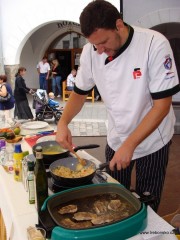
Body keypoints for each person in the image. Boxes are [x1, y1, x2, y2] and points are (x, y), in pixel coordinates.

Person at [55, 0, 180, 212]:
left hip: (152, 139)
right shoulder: (90, 52)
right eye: (95, 45)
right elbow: (78, 94)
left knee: (146, 200)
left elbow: (162, 106)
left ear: (119, 25)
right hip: (117, 135)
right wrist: (63, 122)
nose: (100, 50)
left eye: (104, 42)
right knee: (111, 196)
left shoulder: (153, 44)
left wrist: (130, 145)